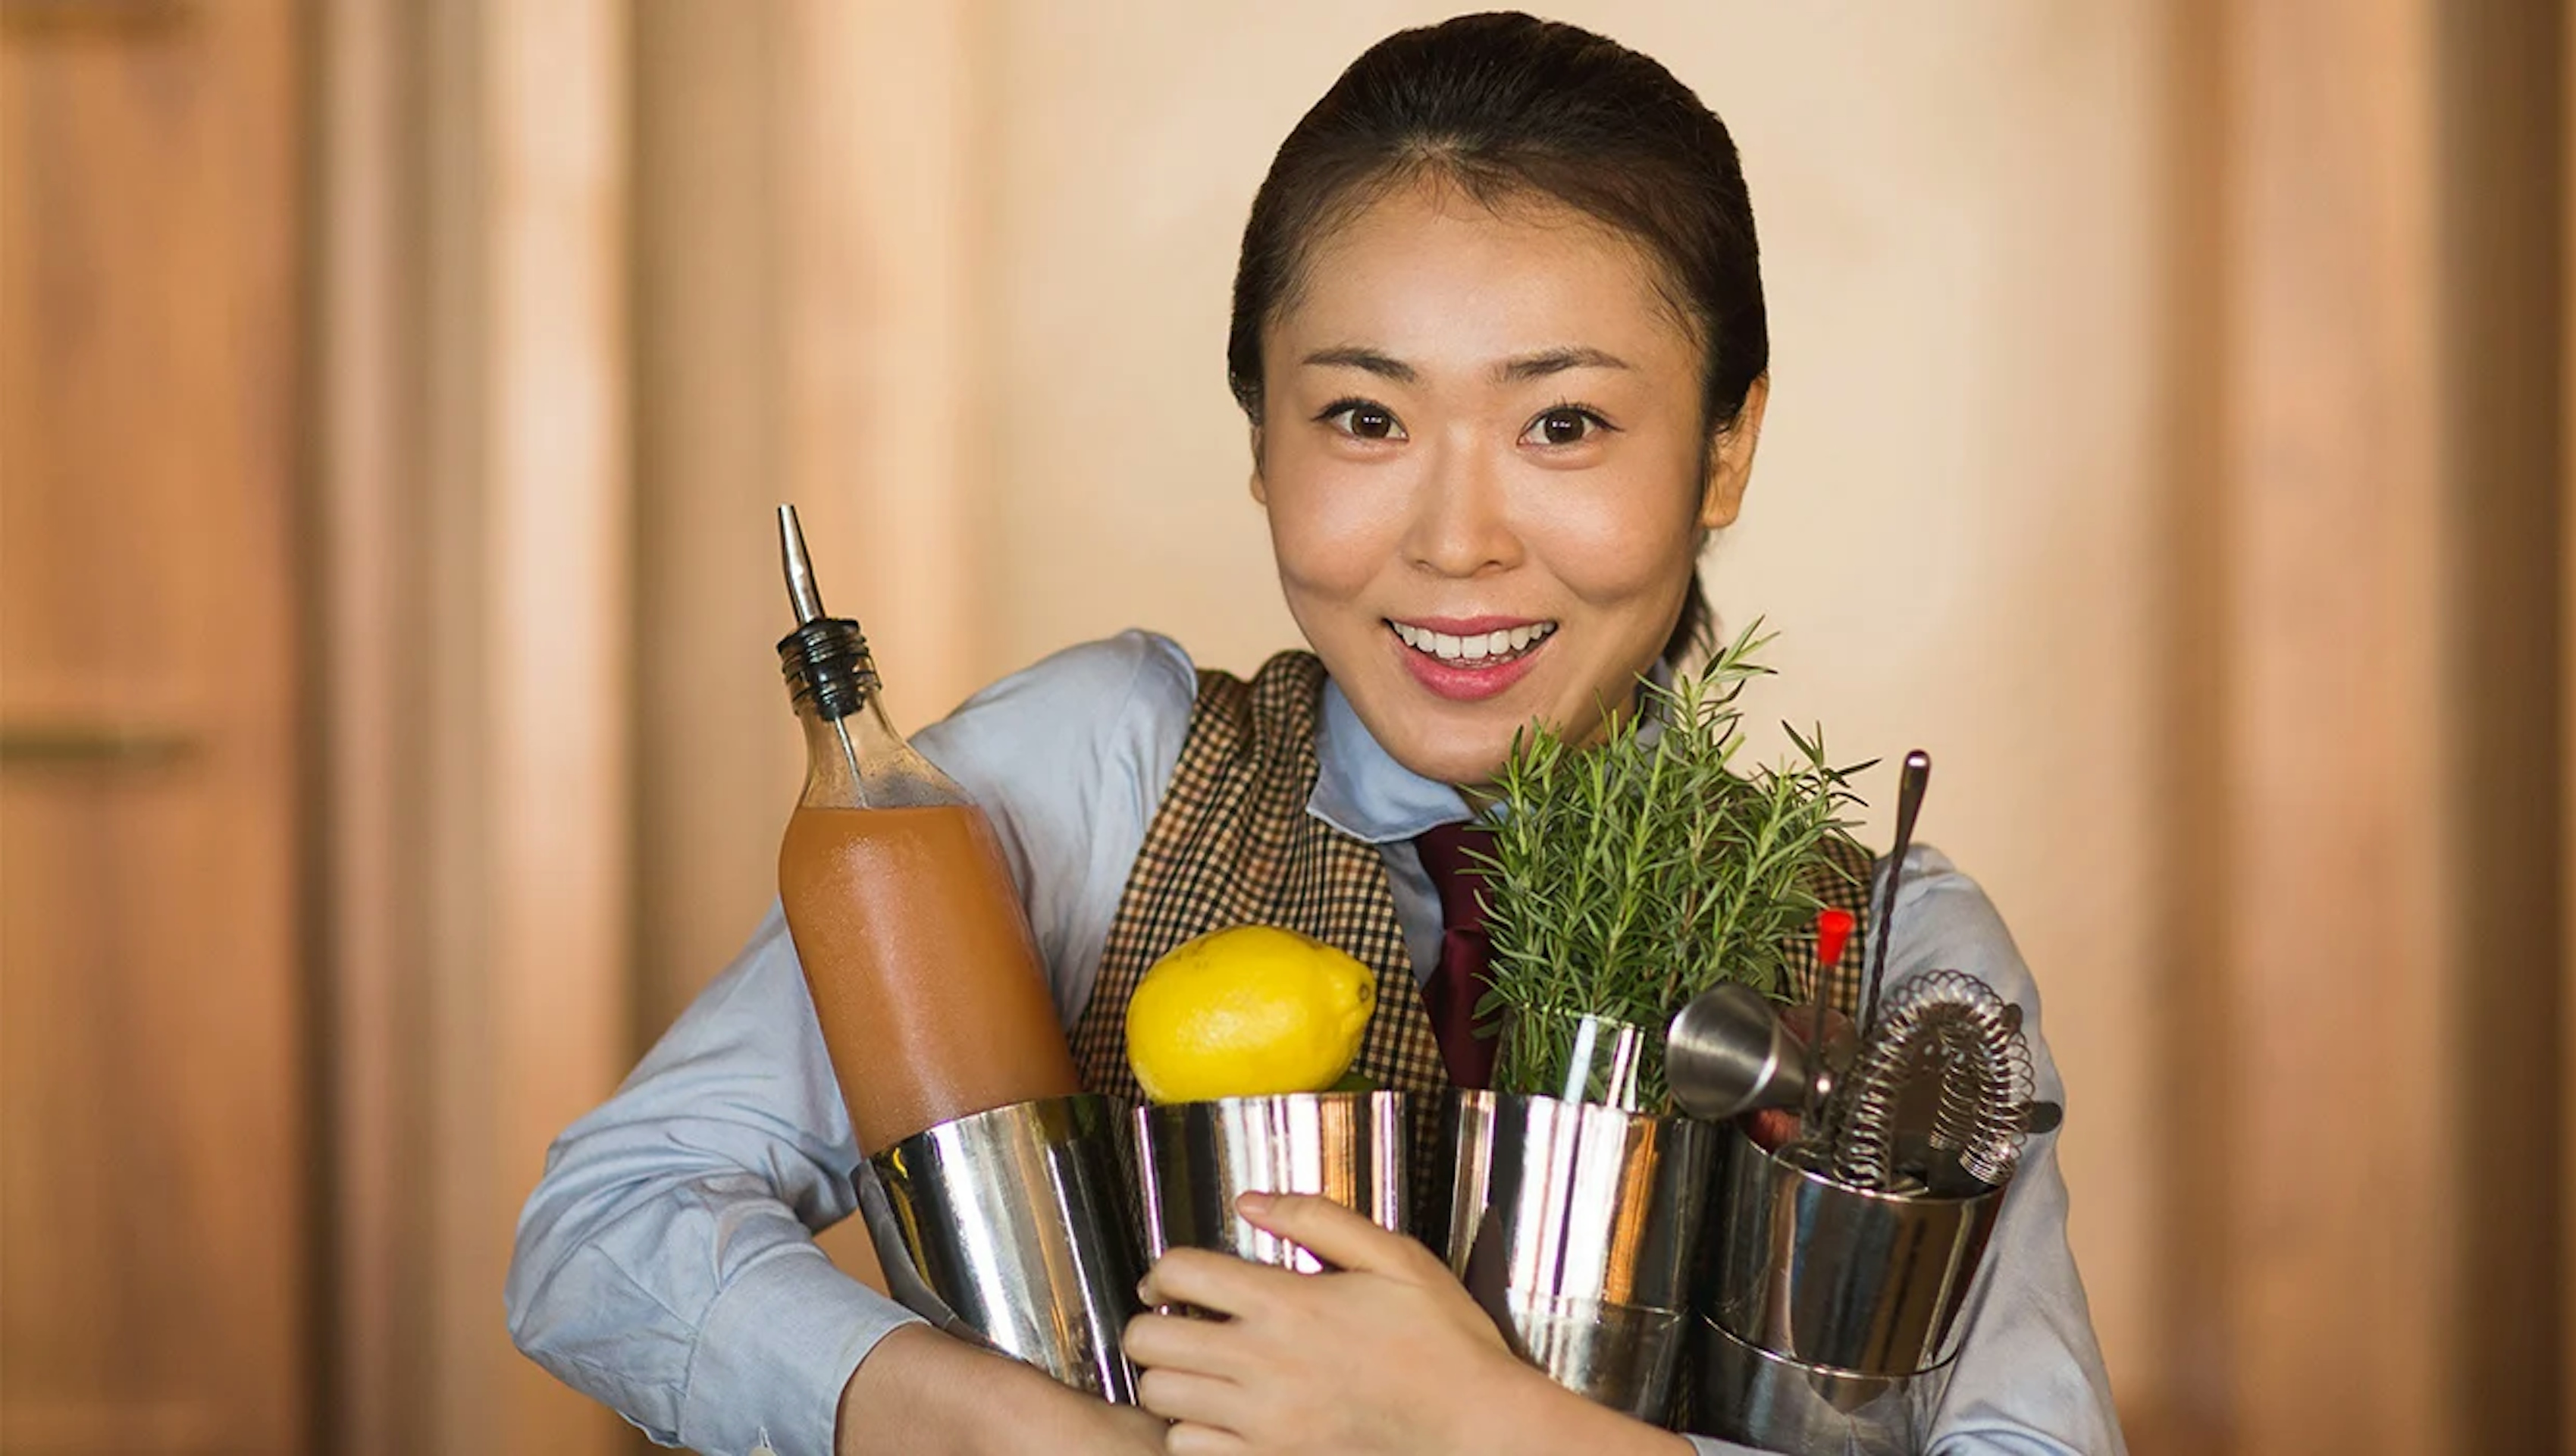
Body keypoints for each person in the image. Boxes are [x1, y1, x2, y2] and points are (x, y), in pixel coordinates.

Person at [507, 12, 2123, 1455]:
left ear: (1721, 453)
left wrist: (1492, 1436)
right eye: (1365, 417)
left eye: (1565, 422)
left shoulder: (1896, 959)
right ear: (1262, 443)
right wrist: (1010, 1435)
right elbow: (606, 1229)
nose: (1457, 539)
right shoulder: (1097, 778)